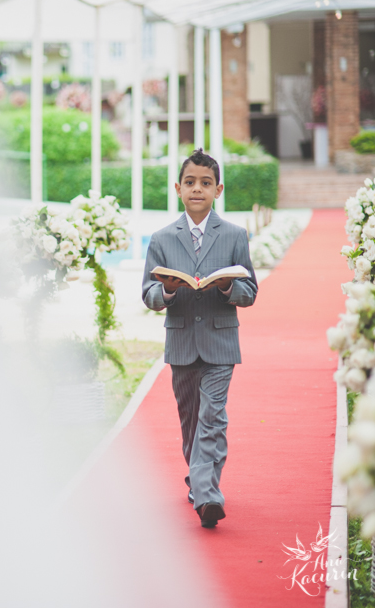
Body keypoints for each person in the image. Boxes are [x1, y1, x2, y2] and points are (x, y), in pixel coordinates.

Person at [141, 148, 258, 529]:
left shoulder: (235, 235)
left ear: (218, 189)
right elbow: (148, 294)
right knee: (190, 418)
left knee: (212, 417)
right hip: (181, 343)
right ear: (178, 188)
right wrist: (169, 291)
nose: (197, 189)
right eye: (190, 182)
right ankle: (198, 476)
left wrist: (227, 287)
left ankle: (208, 495)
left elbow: (250, 291)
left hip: (221, 342)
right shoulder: (160, 239)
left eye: (205, 183)